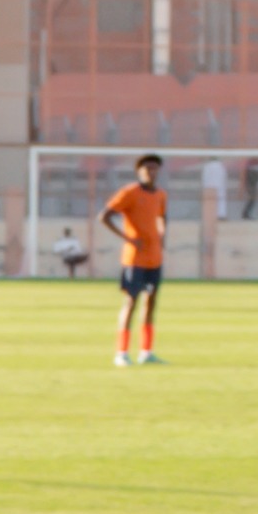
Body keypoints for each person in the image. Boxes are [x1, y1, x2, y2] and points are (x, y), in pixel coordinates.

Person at [99, 154, 167, 367]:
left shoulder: (160, 195)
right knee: (131, 302)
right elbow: (105, 216)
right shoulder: (130, 193)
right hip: (134, 259)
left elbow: (162, 217)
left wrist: (161, 236)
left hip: (154, 258)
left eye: (154, 168)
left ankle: (146, 352)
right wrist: (128, 239)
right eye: (147, 168)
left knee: (151, 303)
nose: (151, 172)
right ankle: (122, 353)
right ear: (139, 171)